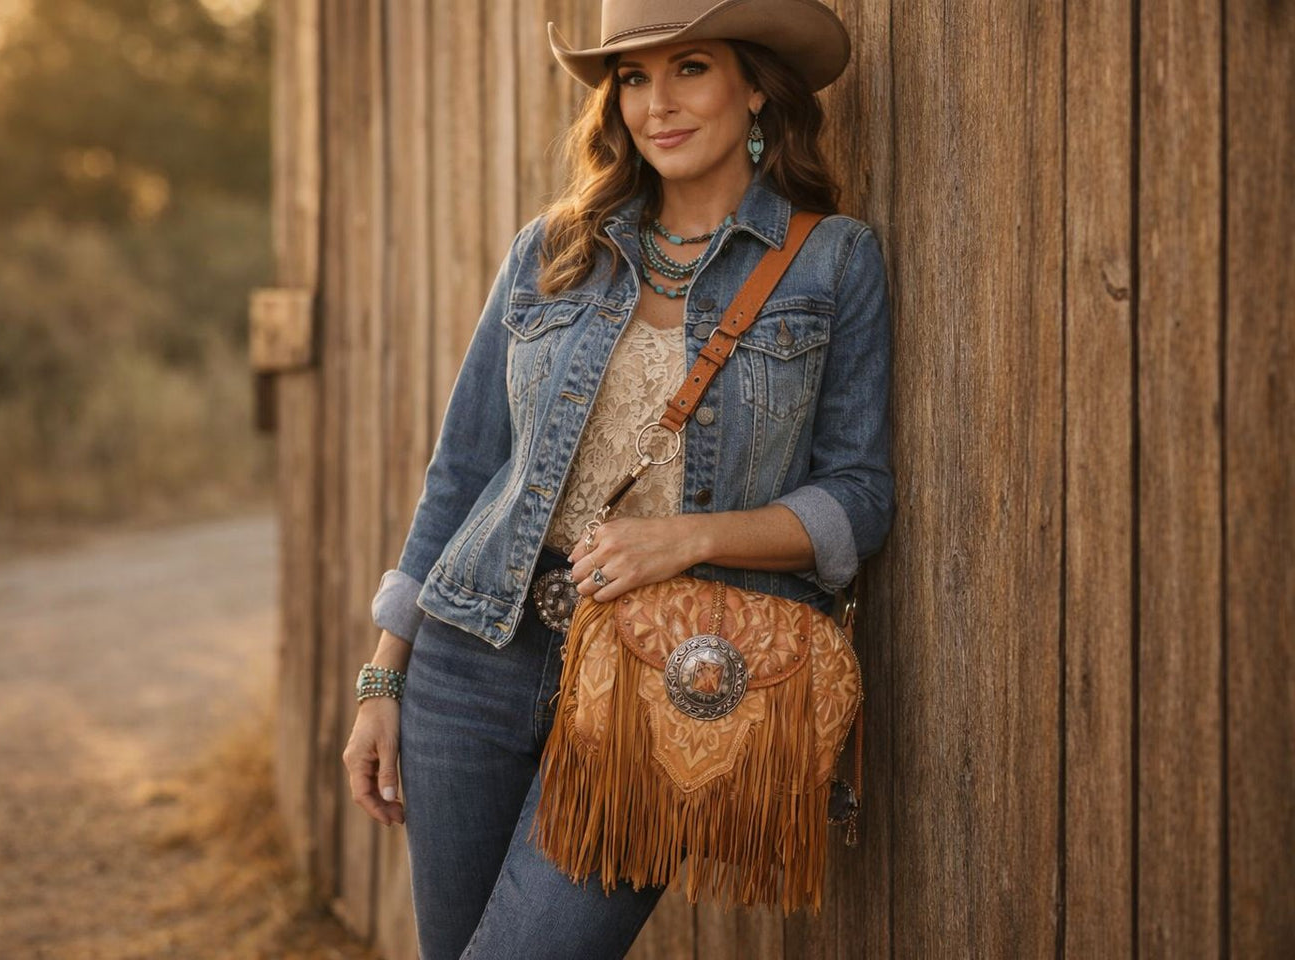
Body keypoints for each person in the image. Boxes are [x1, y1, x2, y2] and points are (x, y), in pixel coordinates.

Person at [342, 1, 894, 956]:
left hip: (669, 684)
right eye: (634, 78)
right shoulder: (553, 250)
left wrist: (689, 539)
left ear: (754, 84)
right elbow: (465, 472)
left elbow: (859, 498)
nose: (657, 104)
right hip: (475, 655)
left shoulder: (831, 261)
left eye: (691, 68)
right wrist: (380, 677)